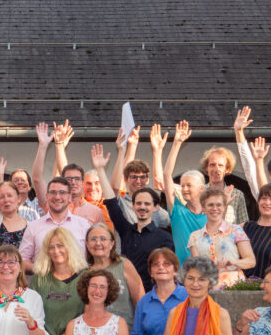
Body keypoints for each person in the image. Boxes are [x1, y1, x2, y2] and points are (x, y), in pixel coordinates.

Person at [94, 139, 175, 291]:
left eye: (147, 204)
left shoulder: (164, 238)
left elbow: (168, 268)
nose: (142, 207)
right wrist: (100, 170)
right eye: (138, 204)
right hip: (125, 290)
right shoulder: (126, 231)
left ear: (156, 207)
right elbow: (111, 201)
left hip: (154, 293)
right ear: (133, 205)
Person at [18, 176, 91, 272]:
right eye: (53, 192)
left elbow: (93, 259)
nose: (57, 197)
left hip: (78, 285)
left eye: (62, 192)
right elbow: (21, 261)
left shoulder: (84, 225)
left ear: (69, 197)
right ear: (46, 196)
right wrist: (44, 271)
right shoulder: (33, 227)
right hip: (43, 285)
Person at [186, 188, 255, 289]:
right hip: (207, 288)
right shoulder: (195, 236)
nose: (215, 208)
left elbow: (251, 261)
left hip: (234, 288)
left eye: (219, 205)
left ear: (224, 207)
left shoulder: (236, 230)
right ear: (203, 208)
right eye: (210, 205)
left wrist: (234, 262)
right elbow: (197, 268)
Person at [159, 122, 205, 264]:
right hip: (182, 274)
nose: (184, 189)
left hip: (207, 273)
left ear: (201, 189)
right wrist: (177, 143)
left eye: (188, 185)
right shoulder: (177, 210)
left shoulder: (211, 214)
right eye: (182, 185)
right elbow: (166, 175)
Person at [85, 222, 144, 329]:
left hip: (125, 334)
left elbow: (140, 302)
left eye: (103, 239)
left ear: (112, 243)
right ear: (87, 244)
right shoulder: (84, 272)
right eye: (93, 239)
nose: (98, 243)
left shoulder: (124, 265)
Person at [200, 146, 248, 225]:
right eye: (212, 165)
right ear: (206, 168)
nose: (216, 169)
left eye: (220, 165)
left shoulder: (237, 195)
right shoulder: (200, 193)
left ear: (227, 169)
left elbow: (244, 226)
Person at [0, 181, 29, 248]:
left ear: (18, 198)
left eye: (9, 196)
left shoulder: (30, 226)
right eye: (1, 197)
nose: (6, 200)